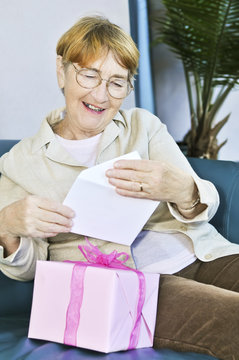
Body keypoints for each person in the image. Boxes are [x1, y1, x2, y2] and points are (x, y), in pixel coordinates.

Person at [0, 15, 238, 360]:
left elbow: (206, 205)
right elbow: (29, 269)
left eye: (117, 82)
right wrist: (8, 227)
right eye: (89, 74)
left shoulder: (144, 126)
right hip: (123, 285)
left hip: (200, 252)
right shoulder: (19, 163)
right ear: (61, 71)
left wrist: (182, 188)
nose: (101, 94)